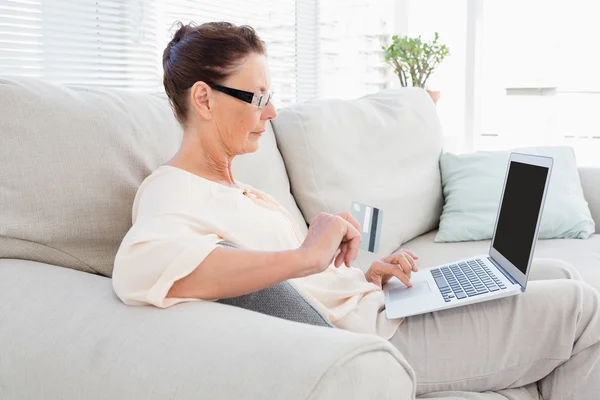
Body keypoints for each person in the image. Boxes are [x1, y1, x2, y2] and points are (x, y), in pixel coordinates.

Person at [112, 21, 600, 399]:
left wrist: (368, 277)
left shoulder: (235, 188)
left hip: (379, 304)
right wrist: (307, 254)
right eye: (258, 97)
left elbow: (302, 289)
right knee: (587, 307)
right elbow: (141, 267)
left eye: (272, 96)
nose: (272, 112)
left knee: (558, 271)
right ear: (204, 98)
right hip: (379, 338)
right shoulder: (172, 189)